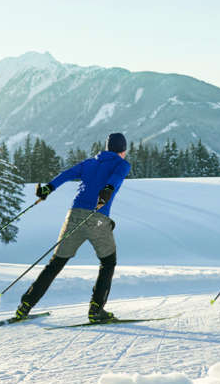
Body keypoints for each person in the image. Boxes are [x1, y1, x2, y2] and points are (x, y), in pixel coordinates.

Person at [11, 132, 133, 324]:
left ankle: (24, 307)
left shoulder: (90, 162)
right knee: (108, 262)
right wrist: (106, 193)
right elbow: (115, 180)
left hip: (73, 216)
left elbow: (66, 174)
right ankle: (96, 310)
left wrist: (47, 189)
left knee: (55, 264)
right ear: (122, 150)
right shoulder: (122, 164)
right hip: (97, 217)